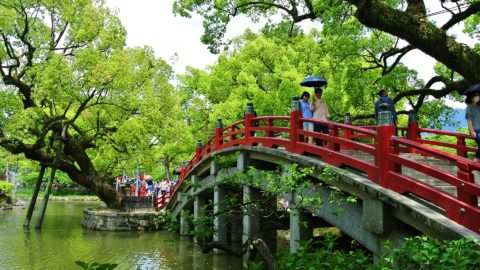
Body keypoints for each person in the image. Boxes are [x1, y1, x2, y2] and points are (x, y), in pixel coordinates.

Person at [466, 92, 480, 162]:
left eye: (478, 95)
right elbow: (469, 120)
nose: (477, 97)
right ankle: (474, 163)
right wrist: (472, 131)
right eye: (476, 95)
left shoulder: (479, 106)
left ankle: (475, 162)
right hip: (475, 130)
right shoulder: (469, 107)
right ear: (471, 98)